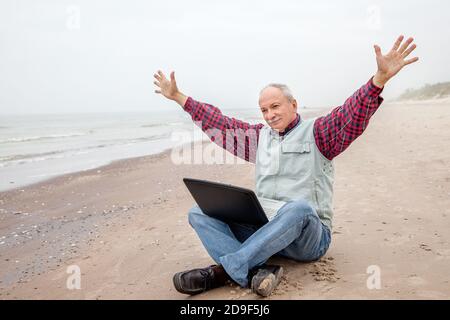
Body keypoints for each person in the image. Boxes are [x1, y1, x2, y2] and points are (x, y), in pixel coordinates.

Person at [153, 35, 418, 297]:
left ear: (293, 104)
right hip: (265, 231)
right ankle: (260, 269)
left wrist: (378, 81)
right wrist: (178, 97)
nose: (270, 115)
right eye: (264, 110)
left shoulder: (318, 133)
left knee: (299, 209)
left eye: (276, 106)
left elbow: (351, 114)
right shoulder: (259, 139)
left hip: (308, 239)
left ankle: (224, 271)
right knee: (199, 212)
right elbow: (220, 124)